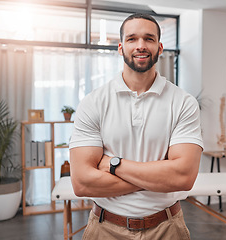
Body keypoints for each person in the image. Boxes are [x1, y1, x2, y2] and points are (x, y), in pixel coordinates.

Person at [69, 13, 204, 240]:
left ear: (160, 48)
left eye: (149, 39)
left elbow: (183, 178)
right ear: (120, 48)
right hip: (105, 228)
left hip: (167, 228)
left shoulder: (183, 103)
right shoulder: (94, 102)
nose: (141, 45)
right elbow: (82, 182)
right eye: (132, 39)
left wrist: (113, 164)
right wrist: (158, 178)